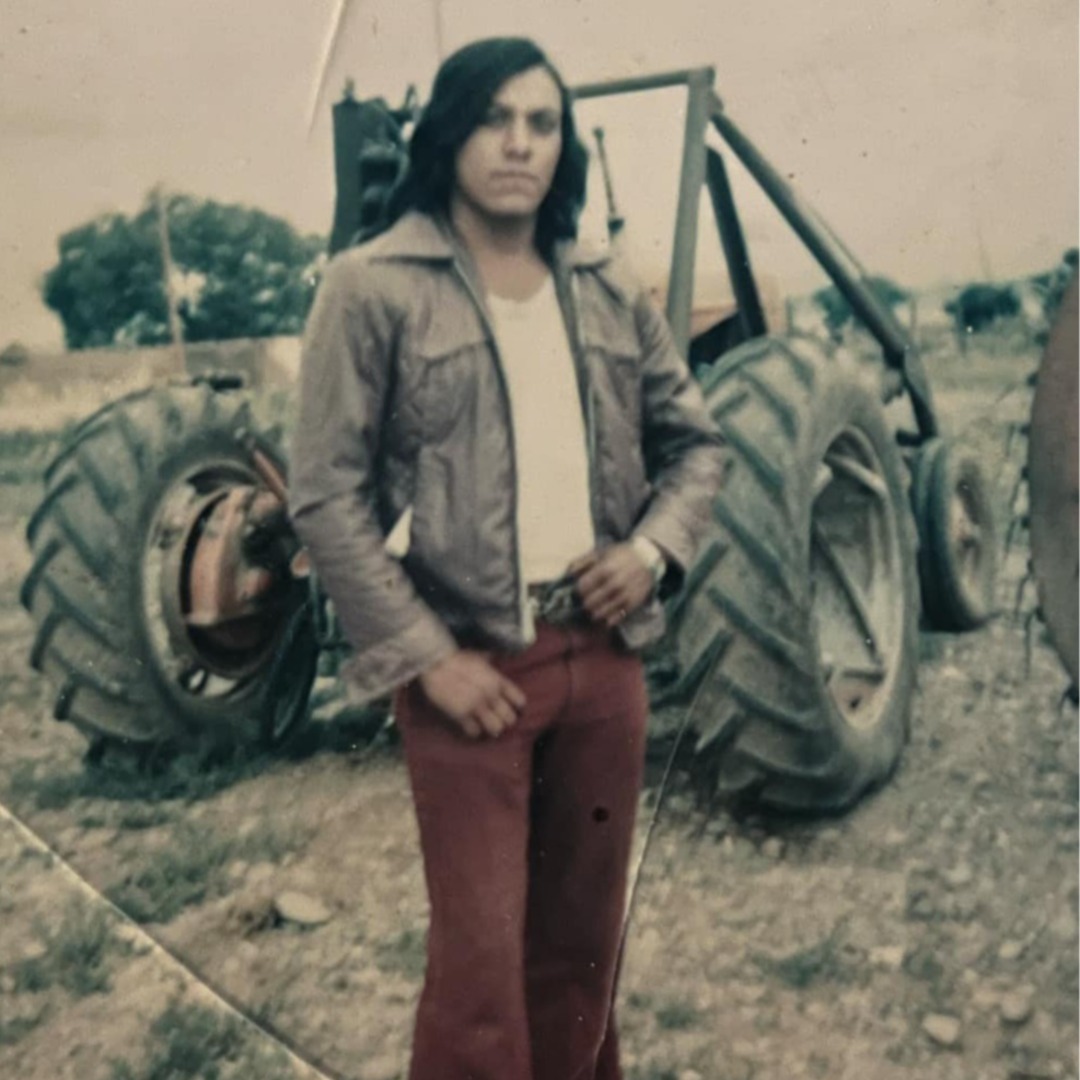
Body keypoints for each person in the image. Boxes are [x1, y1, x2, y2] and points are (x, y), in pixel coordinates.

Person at [289, 36, 725, 1080]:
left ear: (563, 144)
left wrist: (651, 551)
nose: (519, 143)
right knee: (480, 975)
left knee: (581, 959)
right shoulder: (370, 286)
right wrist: (427, 659)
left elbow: (698, 447)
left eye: (542, 122)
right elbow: (324, 496)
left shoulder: (606, 286)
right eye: (494, 119)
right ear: (448, 135)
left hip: (603, 665)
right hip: (470, 674)